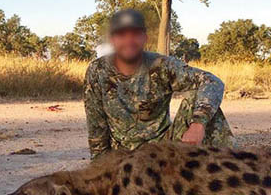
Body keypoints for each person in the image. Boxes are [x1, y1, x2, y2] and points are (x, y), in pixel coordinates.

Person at [84, 8, 233, 159]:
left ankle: (229, 169)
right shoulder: (97, 70)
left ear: (145, 38)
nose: (129, 41)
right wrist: (100, 169)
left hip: (164, 150)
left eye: (135, 35)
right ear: (113, 40)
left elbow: (212, 81)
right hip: (124, 158)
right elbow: (96, 127)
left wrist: (198, 124)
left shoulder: (161, 65)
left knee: (200, 100)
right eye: (122, 35)